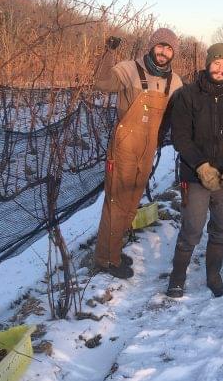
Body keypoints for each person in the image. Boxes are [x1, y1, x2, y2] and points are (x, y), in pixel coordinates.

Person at [93, 28, 183, 279]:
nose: (163, 52)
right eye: (160, 46)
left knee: (131, 204)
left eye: (168, 48)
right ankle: (105, 259)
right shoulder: (129, 69)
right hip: (124, 148)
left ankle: (113, 251)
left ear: (173, 52)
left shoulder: (174, 81)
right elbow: (101, 83)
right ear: (151, 46)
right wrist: (108, 53)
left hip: (147, 151)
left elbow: (180, 114)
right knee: (116, 203)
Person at [166, 43, 223, 298]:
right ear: (207, 64)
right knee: (192, 229)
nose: (220, 69)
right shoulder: (187, 95)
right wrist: (201, 166)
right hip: (195, 176)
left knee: (221, 228)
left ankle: (213, 276)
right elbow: (180, 136)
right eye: (216, 63)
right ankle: (177, 277)